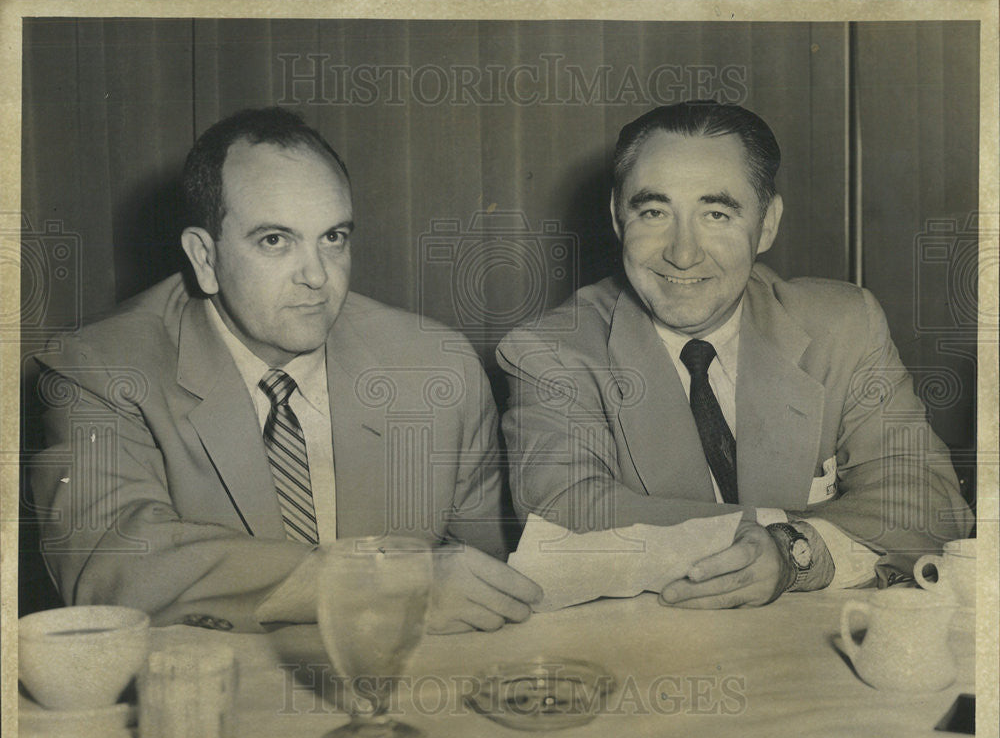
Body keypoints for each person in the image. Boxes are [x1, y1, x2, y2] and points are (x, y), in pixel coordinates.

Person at [32, 107, 541, 633]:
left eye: (333, 237)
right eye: (275, 240)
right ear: (204, 258)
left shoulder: (437, 365)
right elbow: (111, 566)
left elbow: (489, 579)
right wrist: (376, 583)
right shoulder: (100, 370)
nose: (318, 276)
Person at [496, 101, 973, 608]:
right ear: (618, 218)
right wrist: (777, 539)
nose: (683, 253)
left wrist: (792, 553)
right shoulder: (553, 351)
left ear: (767, 224)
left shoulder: (844, 325)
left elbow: (932, 501)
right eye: (654, 212)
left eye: (716, 214)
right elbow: (563, 517)